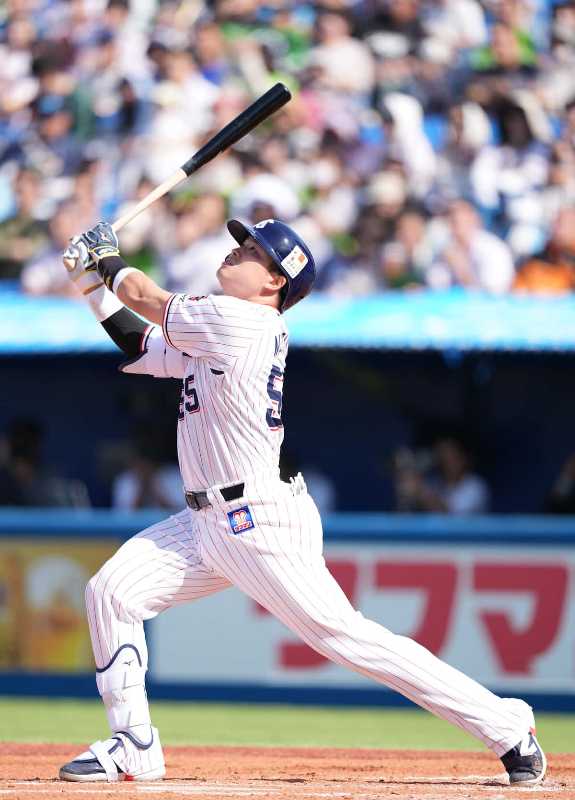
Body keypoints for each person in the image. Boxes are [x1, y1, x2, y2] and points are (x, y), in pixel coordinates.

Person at [58, 217, 545, 785]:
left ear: (274, 282)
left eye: (252, 250)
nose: (236, 252)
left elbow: (145, 296)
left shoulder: (241, 320)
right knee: (112, 592)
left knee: (347, 638)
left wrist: (106, 259)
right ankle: (134, 744)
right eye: (241, 244)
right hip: (203, 521)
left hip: (256, 521)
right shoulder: (218, 329)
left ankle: (507, 727)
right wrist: (90, 282)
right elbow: (139, 343)